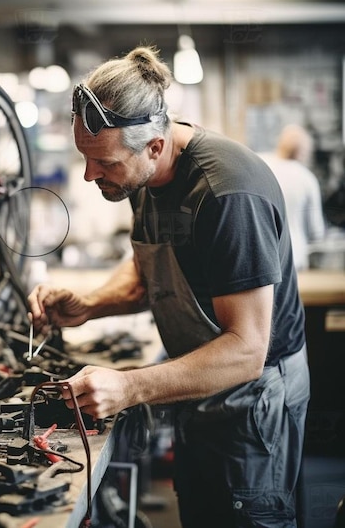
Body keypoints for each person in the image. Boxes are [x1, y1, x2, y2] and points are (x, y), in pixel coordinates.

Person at [28, 46, 310, 528]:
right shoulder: (141, 176)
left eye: (105, 163)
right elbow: (149, 270)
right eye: (85, 157)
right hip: (198, 385)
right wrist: (88, 305)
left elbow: (246, 350)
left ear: (154, 146)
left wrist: (130, 387)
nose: (89, 174)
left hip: (252, 398)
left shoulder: (226, 194)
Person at [261, 124, 325, 271]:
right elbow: (317, 230)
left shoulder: (263, 165)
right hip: (293, 257)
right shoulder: (307, 178)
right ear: (304, 151)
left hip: (263, 255)